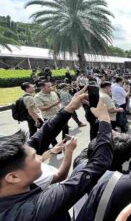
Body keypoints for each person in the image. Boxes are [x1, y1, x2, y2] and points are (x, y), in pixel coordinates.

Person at [0, 87, 114, 221]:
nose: (41, 157)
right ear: (13, 176)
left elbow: (39, 138)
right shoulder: (33, 211)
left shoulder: (11, 181)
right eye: (35, 157)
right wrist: (105, 119)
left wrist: (70, 107)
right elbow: (97, 165)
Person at [34, 80, 61, 152]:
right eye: (48, 86)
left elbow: (58, 101)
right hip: (49, 118)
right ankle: (56, 148)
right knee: (51, 134)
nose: (51, 87)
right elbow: (42, 109)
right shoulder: (37, 97)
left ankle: (65, 143)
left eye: (51, 86)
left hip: (58, 115)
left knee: (65, 128)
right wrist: (54, 104)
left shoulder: (53, 93)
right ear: (42, 87)